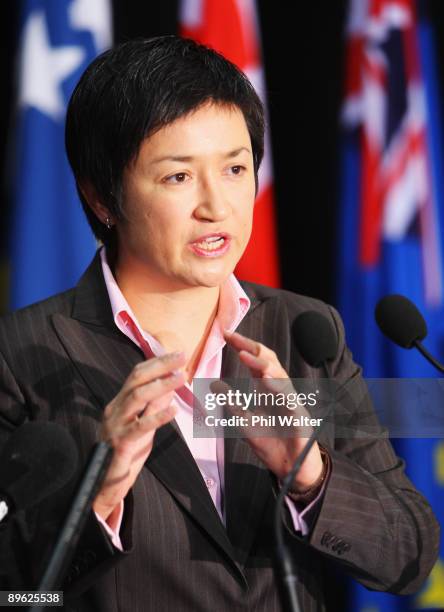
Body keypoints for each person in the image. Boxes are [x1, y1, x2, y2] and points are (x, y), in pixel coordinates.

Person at [0, 35, 439, 611]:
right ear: (102, 196)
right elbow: (12, 593)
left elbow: (409, 555)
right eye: (179, 177)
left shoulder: (304, 332)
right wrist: (98, 496)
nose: (217, 205)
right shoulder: (21, 353)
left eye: (235, 167)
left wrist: (311, 474)